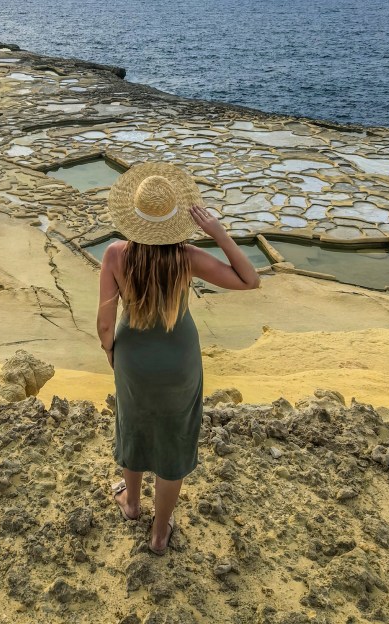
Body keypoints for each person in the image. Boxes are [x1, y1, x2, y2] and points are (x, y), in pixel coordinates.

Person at [96, 159, 261, 555]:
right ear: (175, 218)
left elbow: (104, 324)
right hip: (179, 361)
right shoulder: (186, 257)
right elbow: (249, 280)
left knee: (133, 425)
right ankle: (159, 534)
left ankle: (132, 504)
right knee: (173, 439)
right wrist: (217, 232)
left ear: (132, 217)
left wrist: (112, 354)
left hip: (133, 358)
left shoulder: (115, 255)